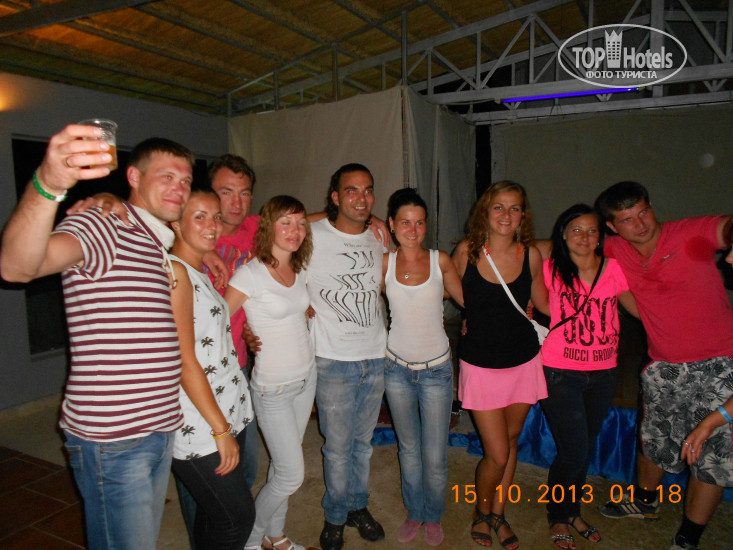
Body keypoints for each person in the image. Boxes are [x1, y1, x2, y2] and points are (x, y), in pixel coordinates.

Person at [0, 127, 192, 549]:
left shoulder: (153, 241)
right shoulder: (106, 224)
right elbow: (17, 266)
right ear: (134, 177)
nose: (180, 188)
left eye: (186, 180)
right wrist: (48, 184)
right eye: (167, 177)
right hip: (115, 437)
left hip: (158, 426)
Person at [594, 182, 733, 550]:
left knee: (712, 454)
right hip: (663, 364)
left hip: (719, 364)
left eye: (643, 212)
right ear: (612, 226)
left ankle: (689, 535)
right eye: (627, 219)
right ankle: (644, 502)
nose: (640, 224)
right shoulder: (614, 248)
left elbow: (726, 226)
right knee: (653, 440)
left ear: (651, 206)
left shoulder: (689, 233)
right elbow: (563, 246)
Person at [452, 180, 548, 550]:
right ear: (485, 212)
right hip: (480, 364)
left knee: (510, 441)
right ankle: (481, 511)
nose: (506, 215)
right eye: (499, 207)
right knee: (497, 452)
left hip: (523, 361)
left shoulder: (531, 255)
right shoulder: (467, 251)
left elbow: (544, 303)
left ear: (523, 215)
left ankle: (499, 513)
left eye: (514, 208)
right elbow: (450, 291)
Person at [539, 204, 636, 549]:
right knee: (575, 450)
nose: (584, 236)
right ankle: (558, 515)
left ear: (601, 237)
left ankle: (572, 510)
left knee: (583, 447)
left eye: (592, 230)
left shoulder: (614, 268)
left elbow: (638, 308)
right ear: (563, 234)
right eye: (576, 230)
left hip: (604, 373)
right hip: (560, 372)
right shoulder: (549, 268)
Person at [225, 195, 315, 550]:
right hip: (273, 389)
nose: (295, 230)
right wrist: (244, 336)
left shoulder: (300, 269)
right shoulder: (250, 274)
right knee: (292, 474)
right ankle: (250, 540)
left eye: (301, 223)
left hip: (306, 379)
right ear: (269, 227)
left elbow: (295, 311)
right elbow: (216, 320)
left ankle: (275, 537)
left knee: (282, 467)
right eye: (285, 222)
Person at [168, 188, 256, 549]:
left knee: (215, 516)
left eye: (215, 217)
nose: (212, 225)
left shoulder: (195, 270)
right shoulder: (175, 273)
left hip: (226, 407)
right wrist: (220, 430)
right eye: (199, 217)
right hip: (201, 423)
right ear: (175, 223)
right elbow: (183, 360)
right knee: (237, 519)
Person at [381, 188, 464, 546]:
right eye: (405, 222)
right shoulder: (383, 263)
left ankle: (434, 514)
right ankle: (415, 511)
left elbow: (469, 300)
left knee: (434, 454)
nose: (412, 230)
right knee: (409, 449)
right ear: (392, 224)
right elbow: (355, 301)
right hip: (396, 369)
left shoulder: (440, 261)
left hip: (436, 371)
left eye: (419, 222)